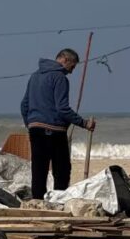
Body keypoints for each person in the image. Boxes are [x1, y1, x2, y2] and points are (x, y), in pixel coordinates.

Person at [21, 48, 96, 199]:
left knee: (38, 170)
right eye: (72, 66)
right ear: (65, 60)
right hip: (54, 130)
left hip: (35, 130)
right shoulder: (60, 77)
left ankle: (37, 202)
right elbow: (62, 109)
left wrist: (30, 124)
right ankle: (59, 201)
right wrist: (84, 123)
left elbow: (24, 105)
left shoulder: (35, 76)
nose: (71, 71)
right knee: (62, 170)